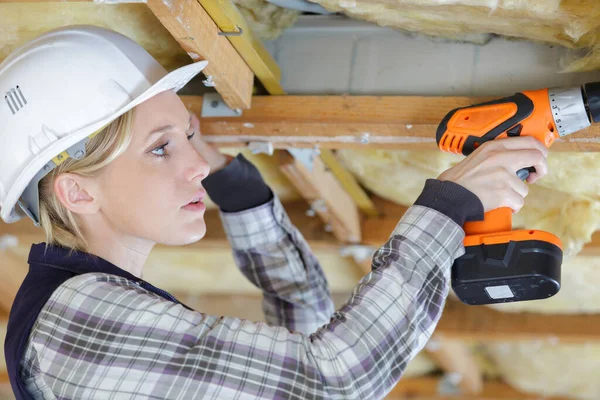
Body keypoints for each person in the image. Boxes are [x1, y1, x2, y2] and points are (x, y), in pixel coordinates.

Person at [1, 26, 548, 400]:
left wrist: (241, 193)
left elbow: (303, 327)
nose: (197, 163)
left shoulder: (84, 310)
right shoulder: (75, 319)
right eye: (161, 148)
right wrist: (448, 206)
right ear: (76, 193)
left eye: (190, 135)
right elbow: (332, 383)